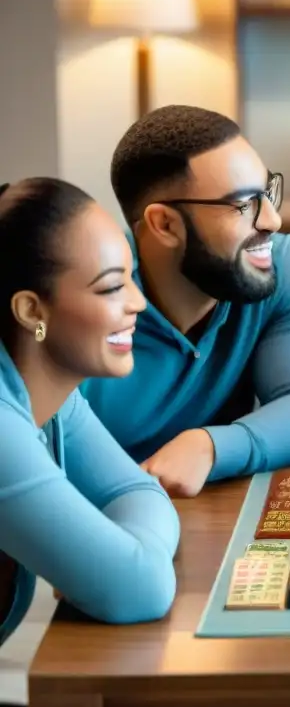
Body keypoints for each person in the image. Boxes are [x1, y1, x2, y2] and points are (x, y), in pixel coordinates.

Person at [79, 105, 290, 499]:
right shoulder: (82, 298)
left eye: (267, 193)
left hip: (204, 514)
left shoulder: (280, 266)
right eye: (243, 204)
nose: (272, 220)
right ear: (165, 224)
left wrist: (210, 446)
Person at [0, 178, 179, 654]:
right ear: (30, 309)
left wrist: (130, 556)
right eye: (112, 287)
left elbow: (138, 491)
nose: (138, 302)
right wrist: (125, 562)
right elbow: (140, 589)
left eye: (132, 277)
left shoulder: (54, 395)